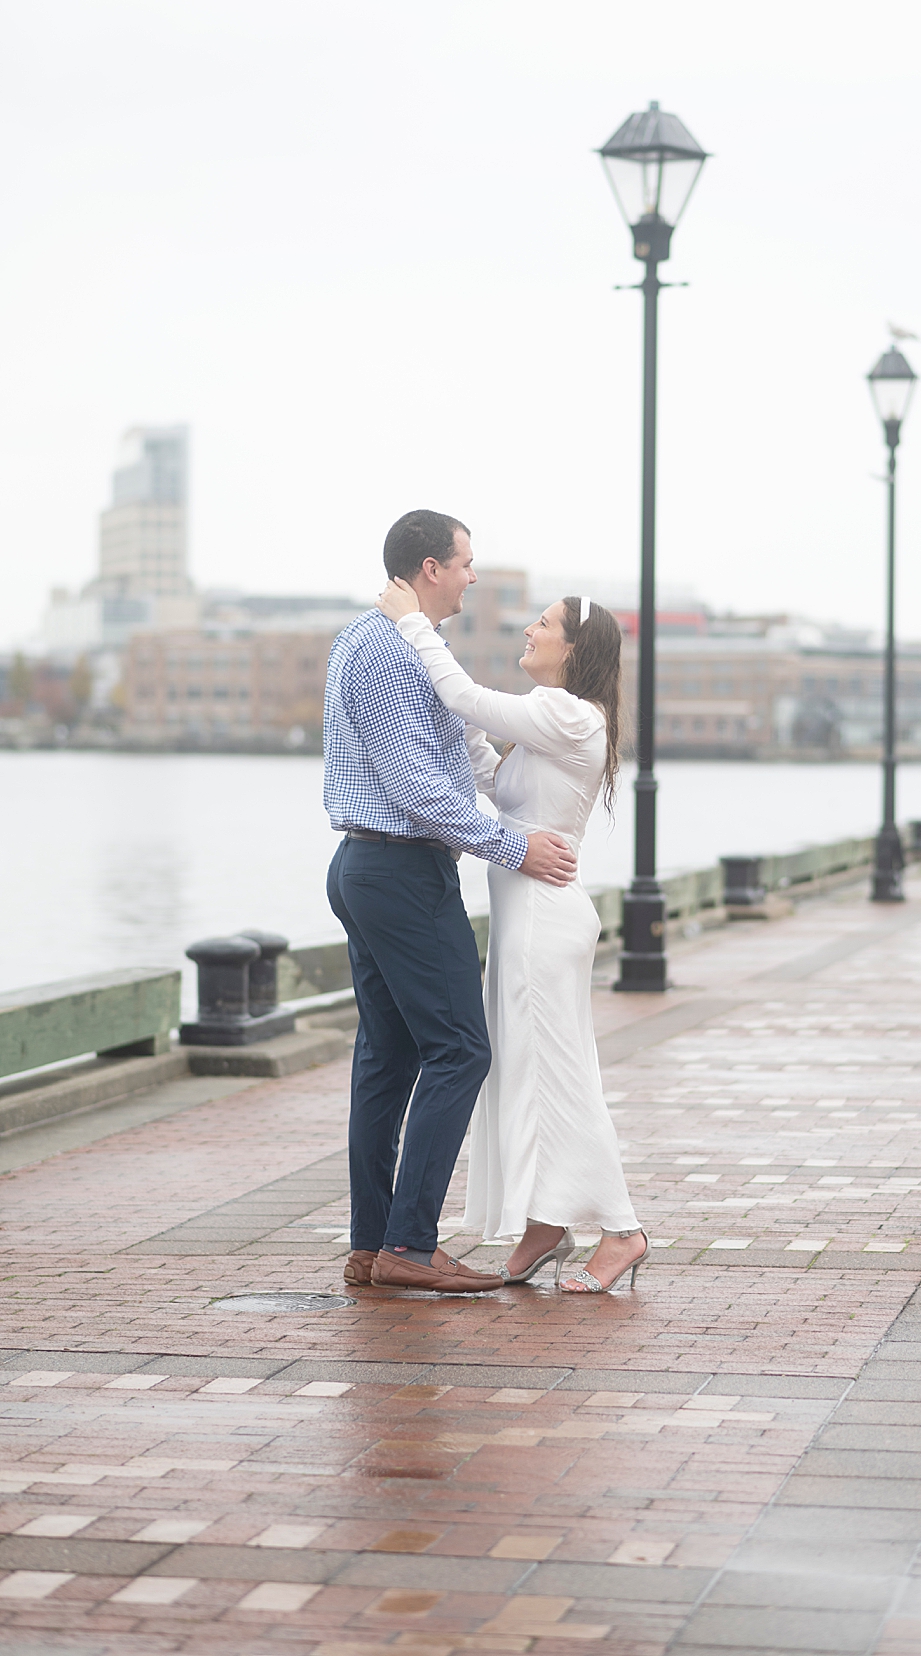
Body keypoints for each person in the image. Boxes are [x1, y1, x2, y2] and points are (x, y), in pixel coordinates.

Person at [324, 509, 577, 1295]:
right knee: (461, 1049)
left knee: (389, 1057)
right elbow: (417, 788)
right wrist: (514, 845)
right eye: (467, 561)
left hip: (370, 866)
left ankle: (374, 1246)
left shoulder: (365, 640)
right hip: (400, 870)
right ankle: (409, 1244)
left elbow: (451, 761)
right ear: (432, 568)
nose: (473, 574)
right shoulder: (392, 653)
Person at [376, 574, 648, 1294]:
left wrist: (416, 628)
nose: (529, 630)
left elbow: (469, 697)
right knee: (526, 1075)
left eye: (543, 623)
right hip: (529, 921)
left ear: (573, 647)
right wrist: (457, 723)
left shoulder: (567, 713)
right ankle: (545, 1221)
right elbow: (496, 781)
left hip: (542, 927)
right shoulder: (559, 721)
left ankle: (622, 1232)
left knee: (560, 1077)